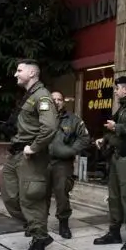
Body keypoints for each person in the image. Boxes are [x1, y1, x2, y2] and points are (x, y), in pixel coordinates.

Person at [1, 60, 58, 250]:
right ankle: (39, 235)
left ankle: (39, 247)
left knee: (31, 200)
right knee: (10, 196)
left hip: (31, 157)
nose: (15, 74)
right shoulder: (29, 96)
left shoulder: (42, 96)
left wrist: (34, 147)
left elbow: (50, 127)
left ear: (33, 72)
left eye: (19, 70)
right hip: (16, 155)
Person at [94, 76, 126, 250]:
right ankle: (114, 232)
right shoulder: (124, 106)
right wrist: (105, 138)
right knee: (114, 197)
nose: (116, 91)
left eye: (117, 88)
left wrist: (116, 127)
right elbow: (116, 131)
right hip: (117, 157)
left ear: (125, 89)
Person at [46, 91, 91, 239]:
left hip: (62, 164)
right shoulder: (40, 118)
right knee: (39, 193)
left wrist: (70, 150)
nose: (57, 101)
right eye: (54, 99)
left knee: (62, 194)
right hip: (41, 162)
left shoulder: (73, 119)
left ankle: (63, 224)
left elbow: (84, 138)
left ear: (63, 102)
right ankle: (38, 224)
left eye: (60, 99)